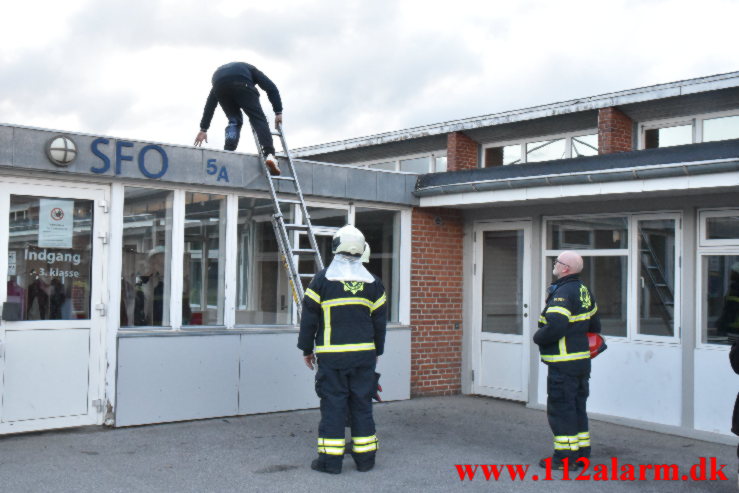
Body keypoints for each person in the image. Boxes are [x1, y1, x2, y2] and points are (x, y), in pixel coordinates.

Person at [298, 225, 387, 474]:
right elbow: (379, 324)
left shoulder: (321, 280)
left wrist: (306, 349)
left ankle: (330, 463)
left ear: (336, 245)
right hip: (364, 358)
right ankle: (366, 461)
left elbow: (309, 320)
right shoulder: (374, 284)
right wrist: (376, 352)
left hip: (332, 357)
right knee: (361, 405)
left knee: (334, 406)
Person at [533, 250, 601, 471]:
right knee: (577, 407)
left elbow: (556, 324)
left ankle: (564, 458)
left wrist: (538, 337)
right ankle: (581, 454)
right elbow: (595, 326)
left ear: (565, 269)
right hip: (581, 362)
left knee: (562, 410)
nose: (554, 265)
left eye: (557, 262)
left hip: (563, 363)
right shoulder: (584, 290)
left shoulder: (564, 292)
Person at [194, 62, 283, 176]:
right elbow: (271, 88)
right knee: (258, 118)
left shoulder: (225, 75)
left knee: (234, 120)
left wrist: (203, 128)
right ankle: (269, 154)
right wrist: (278, 111)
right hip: (242, 83)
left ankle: (228, 151)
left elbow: (210, 104)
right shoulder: (252, 70)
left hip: (218, 83)